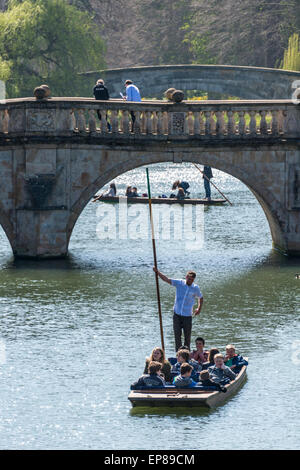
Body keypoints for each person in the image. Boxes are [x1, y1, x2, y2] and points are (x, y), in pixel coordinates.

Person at [153, 267, 203, 351]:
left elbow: (201, 298)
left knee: (187, 337)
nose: (189, 280)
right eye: (188, 278)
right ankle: (178, 355)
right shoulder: (179, 283)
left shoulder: (195, 288)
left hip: (187, 316)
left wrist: (199, 309)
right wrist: (157, 272)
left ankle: (186, 355)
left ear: (193, 280)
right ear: (186, 277)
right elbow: (167, 279)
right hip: (177, 315)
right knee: (177, 336)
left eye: (191, 279)